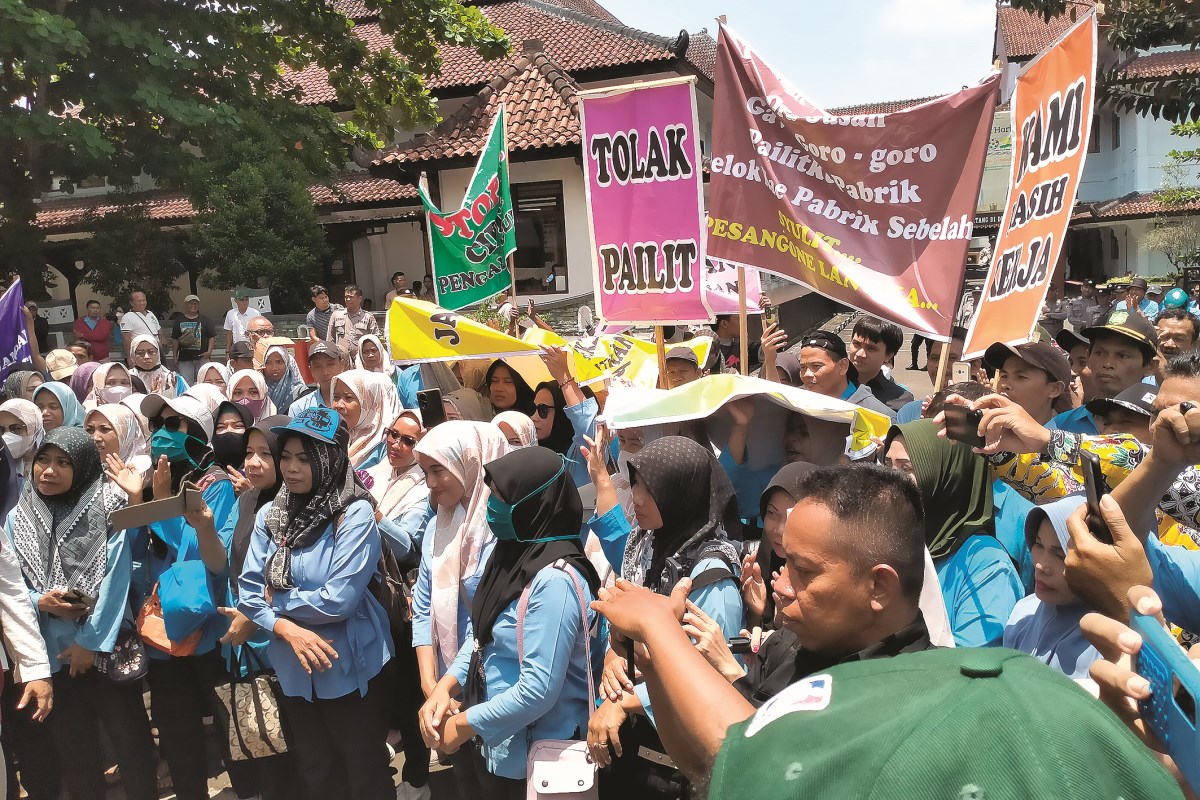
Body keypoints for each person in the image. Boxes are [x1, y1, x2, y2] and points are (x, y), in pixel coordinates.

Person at [420, 447, 601, 795]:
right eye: (493, 495)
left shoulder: (554, 582)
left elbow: (538, 689)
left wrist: (464, 723)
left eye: (504, 497)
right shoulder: (511, 554)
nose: (494, 505)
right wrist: (446, 688)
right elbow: (480, 636)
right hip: (500, 744)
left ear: (536, 504)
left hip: (538, 758)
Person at [237, 409, 395, 800]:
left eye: (305, 459)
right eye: (286, 457)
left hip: (347, 664)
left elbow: (339, 600)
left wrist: (279, 602)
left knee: (364, 769)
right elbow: (248, 593)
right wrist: (285, 627)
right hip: (293, 666)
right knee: (315, 770)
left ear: (330, 459)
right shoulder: (272, 515)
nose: (291, 468)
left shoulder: (353, 514)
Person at [4, 428, 159, 800]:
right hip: (51, 656)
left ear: (85, 466)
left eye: (63, 462)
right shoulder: (16, 517)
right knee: (75, 753)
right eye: (43, 459)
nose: (48, 471)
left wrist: (90, 643)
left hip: (104, 651)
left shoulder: (108, 507)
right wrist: (39, 600)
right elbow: (8, 587)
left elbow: (116, 577)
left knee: (130, 742)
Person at [584, 433, 742, 795]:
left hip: (671, 766)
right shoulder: (648, 545)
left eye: (650, 489)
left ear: (680, 492)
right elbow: (617, 544)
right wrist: (614, 653)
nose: (636, 497)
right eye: (635, 483)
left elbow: (711, 684)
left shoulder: (711, 579)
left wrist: (625, 703)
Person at [136, 393, 238, 800]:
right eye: (157, 426)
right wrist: (143, 499)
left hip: (206, 625)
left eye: (174, 426)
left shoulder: (216, 485)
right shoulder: (147, 480)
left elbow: (199, 555)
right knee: (176, 728)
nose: (162, 434)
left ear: (198, 432)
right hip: (163, 629)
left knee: (225, 719)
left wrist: (162, 505)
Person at [882, 420, 1023, 647]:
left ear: (948, 476)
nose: (890, 480)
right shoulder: (891, 541)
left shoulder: (987, 565)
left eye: (906, 468)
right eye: (887, 465)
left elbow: (971, 663)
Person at [410, 422, 510, 710]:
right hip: (444, 685)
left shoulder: (502, 532)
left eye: (438, 470)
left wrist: (444, 686)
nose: (430, 482)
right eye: (426, 472)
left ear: (472, 463)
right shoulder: (436, 527)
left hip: (493, 679)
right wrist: (429, 683)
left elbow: (489, 619)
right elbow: (422, 607)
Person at [1002, 495, 1101, 679]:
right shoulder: (1022, 614)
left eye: (1060, 555)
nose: (1041, 566)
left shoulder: (1107, 649)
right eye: (1038, 544)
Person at [1048, 309, 1158, 434]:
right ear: (1088, 356)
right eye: (1099, 353)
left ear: (1150, 366)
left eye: (1123, 356)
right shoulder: (1059, 426)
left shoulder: (1158, 428)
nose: (1108, 364)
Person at [531, 346, 598, 488]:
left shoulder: (581, 453)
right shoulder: (529, 453)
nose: (534, 417)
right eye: (533, 409)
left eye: (543, 410)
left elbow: (587, 424)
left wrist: (563, 377)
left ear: (564, 413)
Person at [796, 331, 895, 418]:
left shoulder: (878, 415)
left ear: (842, 366)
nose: (806, 374)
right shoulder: (794, 403)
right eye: (802, 367)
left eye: (816, 366)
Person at [983, 341, 1072, 425]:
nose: (1004, 386)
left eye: (1021, 377)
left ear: (1055, 389)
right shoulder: (985, 433)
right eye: (1004, 376)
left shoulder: (1070, 439)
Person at [331, 369, 399, 470]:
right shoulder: (330, 436)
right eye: (336, 397)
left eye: (348, 397)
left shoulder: (387, 446)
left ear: (369, 402)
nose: (339, 405)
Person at [849, 317, 915, 412]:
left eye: (871, 348)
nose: (859, 354)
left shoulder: (901, 400)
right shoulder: (828, 384)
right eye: (856, 344)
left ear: (888, 356)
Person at [288, 342, 345, 416]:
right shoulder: (300, 408)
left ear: (342, 365)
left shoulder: (357, 402)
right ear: (311, 370)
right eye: (317, 366)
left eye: (330, 364)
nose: (325, 372)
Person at [326, 284, 380, 362]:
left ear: (359, 298)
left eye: (351, 297)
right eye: (346, 297)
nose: (348, 299)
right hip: (342, 359)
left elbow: (375, 339)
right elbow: (330, 338)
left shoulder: (368, 317)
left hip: (361, 359)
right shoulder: (336, 314)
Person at [172, 294, 216, 384]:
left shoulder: (205, 320)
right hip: (185, 359)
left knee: (205, 381)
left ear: (198, 305)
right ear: (186, 305)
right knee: (186, 383)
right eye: (190, 303)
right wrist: (174, 356)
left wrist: (209, 352)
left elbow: (211, 337)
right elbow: (175, 339)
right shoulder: (179, 320)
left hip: (202, 357)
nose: (193, 305)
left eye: (195, 303)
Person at [0, 399, 45, 484]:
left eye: (17, 428)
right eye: (0, 429)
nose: (6, 436)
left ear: (36, 430)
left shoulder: (49, 466)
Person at [212, 400, 253, 471]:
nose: (229, 431)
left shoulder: (258, 468)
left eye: (238, 426)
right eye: (221, 427)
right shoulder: (203, 471)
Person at [118, 290, 160, 359]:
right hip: (141, 354)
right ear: (131, 303)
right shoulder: (127, 317)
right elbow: (126, 339)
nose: (142, 303)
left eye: (144, 300)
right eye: (139, 301)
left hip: (155, 352)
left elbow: (158, 329)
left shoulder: (150, 314)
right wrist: (129, 358)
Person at [263, 345, 304, 412]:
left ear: (287, 363)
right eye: (268, 363)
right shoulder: (258, 391)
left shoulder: (300, 392)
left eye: (279, 362)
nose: (274, 368)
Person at [223, 288, 263, 354]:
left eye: (246, 299)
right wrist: (227, 351)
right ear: (236, 300)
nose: (245, 302)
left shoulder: (256, 313)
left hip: (252, 348)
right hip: (237, 348)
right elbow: (229, 333)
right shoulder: (230, 314)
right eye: (242, 300)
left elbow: (260, 332)